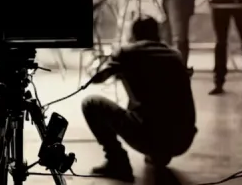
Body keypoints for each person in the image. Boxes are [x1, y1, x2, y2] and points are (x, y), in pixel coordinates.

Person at [82, 16, 197, 183]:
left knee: (90, 103)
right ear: (157, 35)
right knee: (156, 103)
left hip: (150, 137)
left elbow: (97, 78)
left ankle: (117, 162)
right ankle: (159, 154)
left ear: (134, 35)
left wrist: (106, 61)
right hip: (182, 139)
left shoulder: (126, 52)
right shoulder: (176, 55)